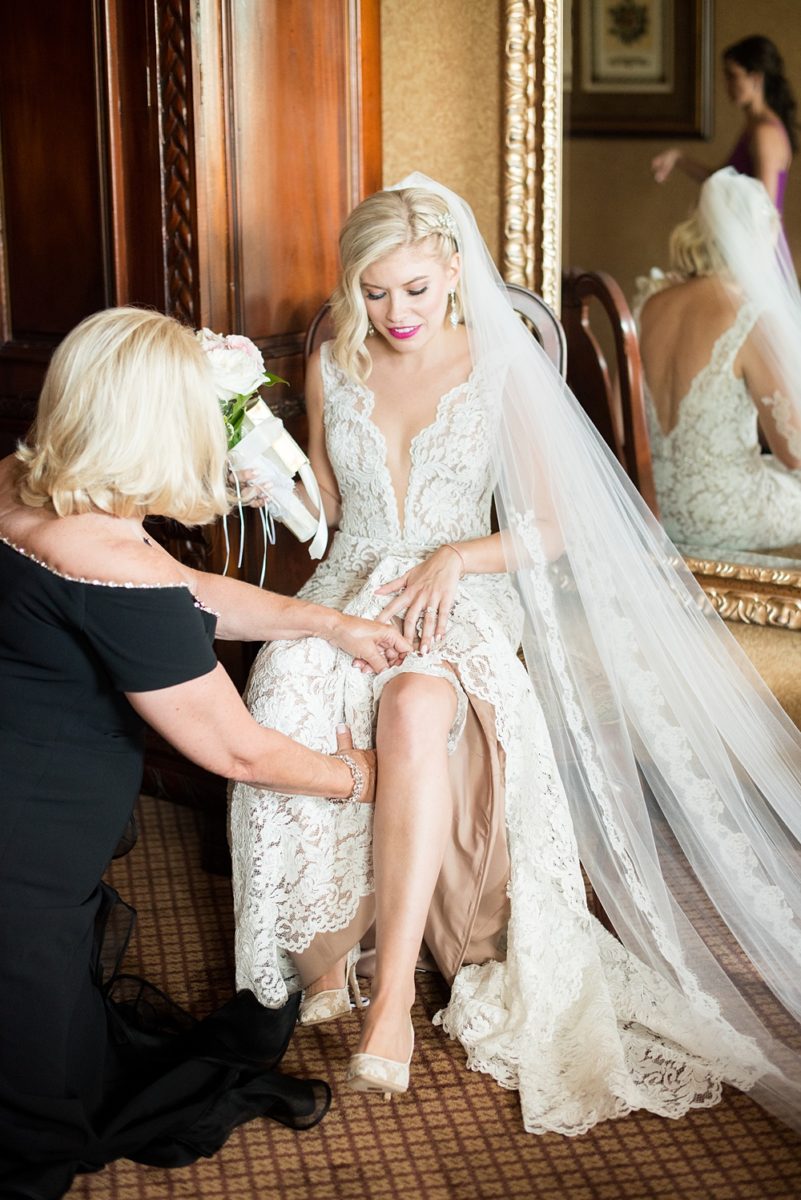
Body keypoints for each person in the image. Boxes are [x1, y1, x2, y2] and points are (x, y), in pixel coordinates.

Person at [232, 176, 801, 1136]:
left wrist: (455, 556)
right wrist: (263, 470)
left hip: (465, 584)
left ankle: (394, 1005)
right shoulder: (336, 358)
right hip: (352, 584)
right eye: (374, 292)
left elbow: (548, 528)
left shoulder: (501, 367)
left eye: (414, 288)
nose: (395, 312)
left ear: (453, 271)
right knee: (288, 676)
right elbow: (328, 511)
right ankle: (323, 952)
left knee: (414, 706)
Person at [0, 305, 411, 1200]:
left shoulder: (21, 487)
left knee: (53, 1050)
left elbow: (182, 591)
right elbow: (240, 750)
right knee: (30, 1123)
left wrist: (327, 621)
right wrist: (361, 777)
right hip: (27, 848)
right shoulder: (110, 557)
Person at [637, 168, 801, 552]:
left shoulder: (649, 304)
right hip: (728, 515)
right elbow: (792, 452)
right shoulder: (751, 314)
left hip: (653, 509)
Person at [652, 35, 796, 213]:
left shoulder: (765, 132)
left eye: (733, 76)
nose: (727, 85)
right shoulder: (754, 127)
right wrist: (678, 158)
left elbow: (766, 208)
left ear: (756, 79)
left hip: (753, 240)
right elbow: (719, 179)